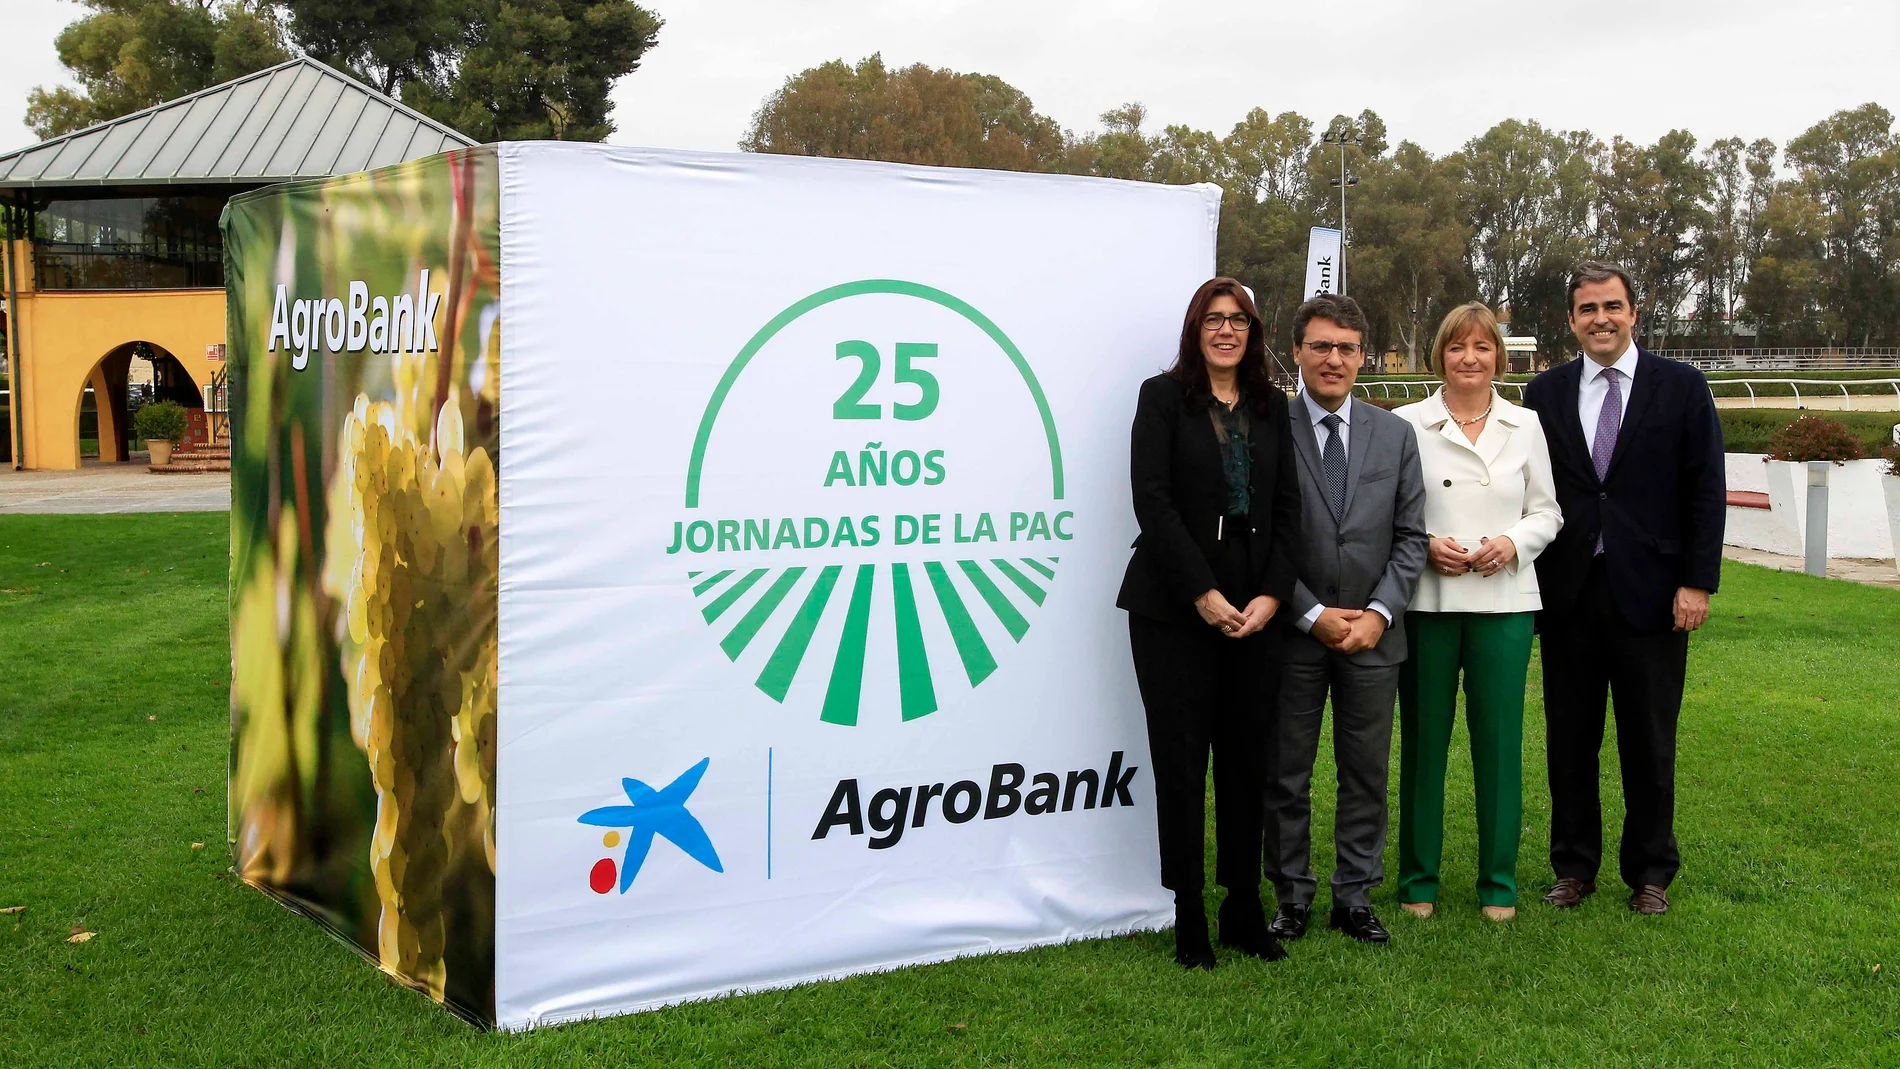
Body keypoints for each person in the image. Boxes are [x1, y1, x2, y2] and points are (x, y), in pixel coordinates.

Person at [1522, 261, 1725, 916]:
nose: (1600, 318)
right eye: (1588, 309)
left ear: (1635, 312)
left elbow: (1705, 490)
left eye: (1612, 306)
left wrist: (1697, 581)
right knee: (1570, 739)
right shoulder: (1545, 392)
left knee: (1649, 740)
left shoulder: (1682, 386)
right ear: (1572, 319)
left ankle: (1650, 872)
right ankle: (1574, 866)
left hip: (1655, 593)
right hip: (1570, 593)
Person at [1118, 277, 1303, 969]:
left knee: (1247, 764)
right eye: (1213, 320)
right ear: (1195, 329)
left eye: (1239, 321)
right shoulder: (1162, 398)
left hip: (1258, 614)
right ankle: (1188, 910)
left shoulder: (1271, 406)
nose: (1226, 330)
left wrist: (1273, 597)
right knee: (1182, 764)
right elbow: (1152, 501)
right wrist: (1201, 591)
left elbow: (1289, 510)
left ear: (1253, 333)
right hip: (1174, 612)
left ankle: (1242, 906)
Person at [1262, 293, 1427, 946]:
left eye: (1347, 348)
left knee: (1365, 773)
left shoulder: (1396, 435)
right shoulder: (1269, 428)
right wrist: (1310, 614)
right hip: (1294, 633)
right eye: (1321, 346)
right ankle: (1292, 895)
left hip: (1372, 637)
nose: (1334, 359)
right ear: (1298, 351)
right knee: (1286, 773)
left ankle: (1354, 896)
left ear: (1364, 356)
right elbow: (1261, 538)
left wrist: (1380, 614)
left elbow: (1412, 536)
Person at [1391, 302, 1563, 923]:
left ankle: (1498, 885)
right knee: (1423, 743)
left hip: (1505, 603)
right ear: (1441, 354)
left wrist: (1514, 543)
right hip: (1428, 603)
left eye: (1482, 348)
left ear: (1499, 356)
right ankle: (1418, 880)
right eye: (1458, 347)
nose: (1470, 358)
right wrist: (1425, 544)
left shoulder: (1527, 425)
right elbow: (1393, 509)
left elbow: (1548, 510)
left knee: (1499, 746)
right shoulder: (1408, 423)